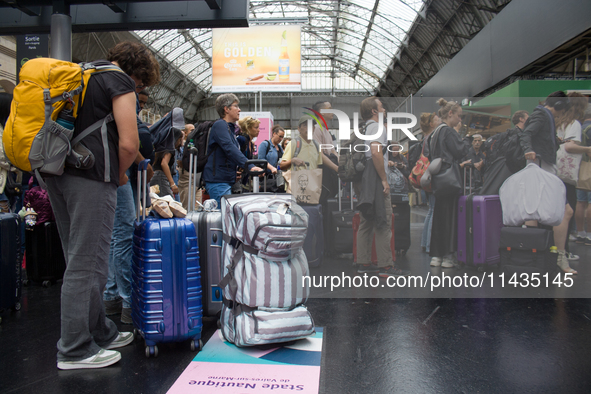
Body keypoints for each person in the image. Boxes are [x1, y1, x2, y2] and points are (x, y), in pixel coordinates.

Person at [46, 41, 160, 370]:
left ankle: (100, 330)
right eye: (141, 86)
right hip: (91, 176)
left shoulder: (82, 75)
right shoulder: (118, 80)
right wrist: (122, 173)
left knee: (78, 257)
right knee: (89, 262)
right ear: (135, 74)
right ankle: (75, 348)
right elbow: (129, 141)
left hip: (57, 172)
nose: (138, 91)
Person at [518, 91, 577, 274]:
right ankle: (560, 257)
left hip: (541, 168)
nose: (561, 115)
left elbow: (530, 134)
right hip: (543, 169)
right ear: (558, 105)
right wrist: (529, 149)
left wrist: (553, 142)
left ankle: (533, 258)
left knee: (534, 213)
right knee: (564, 211)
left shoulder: (542, 115)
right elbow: (526, 134)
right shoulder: (543, 115)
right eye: (561, 110)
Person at [354, 97, 409, 278]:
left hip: (365, 179)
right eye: (381, 107)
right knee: (383, 222)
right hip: (376, 179)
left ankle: (363, 263)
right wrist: (384, 180)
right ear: (374, 112)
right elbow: (376, 153)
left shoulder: (364, 128)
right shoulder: (378, 128)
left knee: (366, 221)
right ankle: (386, 266)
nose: (384, 109)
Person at [429, 98, 471, 268]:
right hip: (451, 178)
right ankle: (448, 256)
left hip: (438, 179)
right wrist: (463, 137)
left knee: (439, 216)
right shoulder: (449, 131)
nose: (460, 120)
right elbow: (460, 151)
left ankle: (436, 256)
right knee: (451, 217)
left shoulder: (435, 132)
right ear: (451, 114)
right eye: (459, 116)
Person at [203, 94, 262, 206]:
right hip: (218, 182)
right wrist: (250, 166)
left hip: (225, 180)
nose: (239, 109)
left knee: (226, 217)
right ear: (226, 109)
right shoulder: (220, 125)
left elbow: (226, 154)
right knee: (223, 218)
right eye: (236, 106)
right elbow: (229, 148)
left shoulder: (229, 129)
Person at [418, 112, 441, 254]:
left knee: (430, 210)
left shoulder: (425, 138)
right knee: (433, 211)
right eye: (436, 119)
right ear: (431, 123)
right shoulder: (432, 138)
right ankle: (429, 245)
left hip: (425, 178)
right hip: (432, 177)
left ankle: (425, 243)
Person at [150, 127, 184, 197]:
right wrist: (172, 184)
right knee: (168, 202)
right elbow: (164, 163)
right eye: (179, 139)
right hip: (161, 177)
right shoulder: (169, 150)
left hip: (155, 175)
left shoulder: (160, 148)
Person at [575, 104, 591, 244]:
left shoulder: (577, 128)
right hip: (590, 168)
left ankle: (580, 232)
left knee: (580, 202)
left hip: (579, 169)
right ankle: (590, 235)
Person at [258, 125, 285, 192]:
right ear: (274, 134)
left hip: (277, 179)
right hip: (266, 178)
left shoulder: (280, 148)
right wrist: (271, 168)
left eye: (282, 137)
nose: (281, 139)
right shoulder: (265, 144)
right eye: (280, 136)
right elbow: (261, 160)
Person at [177, 123, 195, 209]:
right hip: (186, 176)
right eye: (191, 130)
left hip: (194, 177)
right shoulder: (182, 146)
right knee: (187, 204)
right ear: (185, 133)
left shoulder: (194, 143)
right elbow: (179, 161)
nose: (194, 132)